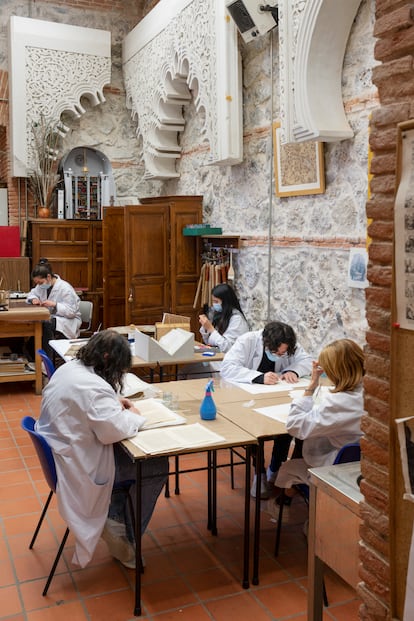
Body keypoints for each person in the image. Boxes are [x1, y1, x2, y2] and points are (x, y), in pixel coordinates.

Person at [36, 329, 168, 569]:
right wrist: (134, 415)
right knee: (155, 466)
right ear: (109, 360)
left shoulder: (70, 369)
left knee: (134, 459)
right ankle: (125, 535)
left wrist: (111, 404)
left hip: (63, 455)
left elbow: (89, 409)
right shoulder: (94, 388)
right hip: (80, 466)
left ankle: (115, 518)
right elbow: (112, 432)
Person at [220, 320, 312, 498]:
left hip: (277, 397)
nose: (279, 355)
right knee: (257, 432)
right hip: (247, 398)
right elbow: (227, 367)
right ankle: (259, 471)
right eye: (275, 352)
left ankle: (275, 468)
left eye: (283, 353)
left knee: (286, 428)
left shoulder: (288, 343)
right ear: (265, 342)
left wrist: (293, 370)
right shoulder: (248, 341)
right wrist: (258, 377)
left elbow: (306, 360)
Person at [274, 339, 364, 498]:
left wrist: (312, 385)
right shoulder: (371, 393)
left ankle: (285, 504)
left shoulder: (338, 402)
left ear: (335, 371)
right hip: (362, 465)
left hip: (339, 470)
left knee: (288, 468)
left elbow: (295, 426)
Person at [26, 258, 81, 358]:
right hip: (53, 317)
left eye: (40, 283)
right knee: (39, 324)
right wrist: (34, 299)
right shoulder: (42, 285)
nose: (39, 285)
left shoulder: (65, 288)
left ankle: (48, 360)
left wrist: (55, 304)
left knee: (46, 324)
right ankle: (33, 358)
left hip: (68, 321)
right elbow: (31, 294)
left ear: (48, 277)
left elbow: (72, 311)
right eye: (37, 283)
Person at [199, 283, 249, 353]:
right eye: (213, 301)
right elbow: (209, 342)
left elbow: (227, 347)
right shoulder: (219, 314)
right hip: (216, 356)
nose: (214, 304)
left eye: (216, 301)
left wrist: (210, 329)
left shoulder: (237, 319)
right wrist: (205, 327)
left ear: (226, 302)